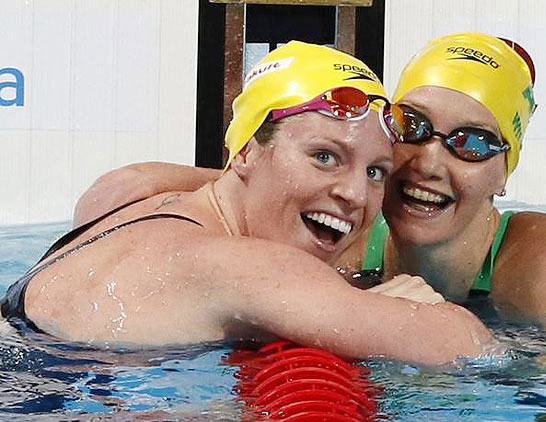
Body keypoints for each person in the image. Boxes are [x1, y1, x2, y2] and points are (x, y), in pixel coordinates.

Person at [1, 41, 492, 365]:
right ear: (247, 152)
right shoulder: (255, 268)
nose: (354, 193)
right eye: (324, 156)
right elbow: (466, 346)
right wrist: (387, 309)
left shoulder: (127, 202)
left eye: (375, 171)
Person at [337, 32, 546, 324]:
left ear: (503, 173)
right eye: (413, 126)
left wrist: (423, 329)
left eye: (472, 143)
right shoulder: (339, 237)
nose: (429, 164)